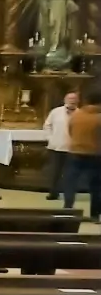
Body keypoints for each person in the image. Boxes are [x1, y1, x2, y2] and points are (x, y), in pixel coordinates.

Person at [64, 91, 101, 222]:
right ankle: (95, 215)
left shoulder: (76, 115)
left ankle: (67, 209)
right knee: (96, 186)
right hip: (95, 154)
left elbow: (70, 130)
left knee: (70, 183)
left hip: (75, 152)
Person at [43, 91, 77, 199]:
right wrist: (50, 138)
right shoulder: (55, 112)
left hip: (73, 149)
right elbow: (47, 125)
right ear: (65, 100)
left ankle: (69, 194)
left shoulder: (80, 113)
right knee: (55, 172)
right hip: (56, 147)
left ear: (77, 101)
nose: (71, 101)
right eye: (69, 98)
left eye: (74, 99)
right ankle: (53, 193)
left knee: (71, 173)